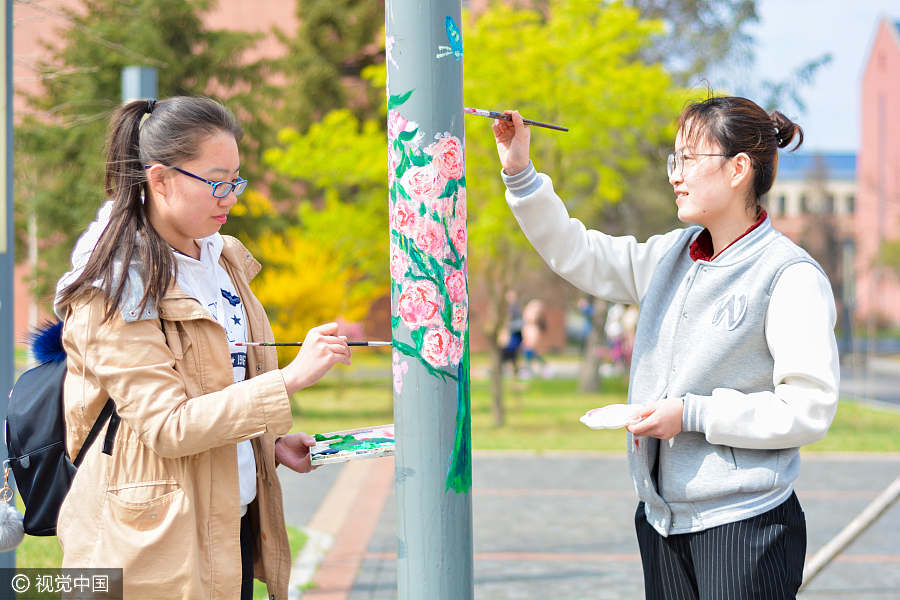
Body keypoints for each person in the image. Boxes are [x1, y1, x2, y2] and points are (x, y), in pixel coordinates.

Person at [492, 96, 839, 599]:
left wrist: (690, 414)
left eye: (689, 160)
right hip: (662, 522)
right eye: (673, 160)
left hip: (745, 525)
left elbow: (808, 408)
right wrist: (521, 172)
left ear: (739, 168)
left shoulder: (789, 276)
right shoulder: (671, 256)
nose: (675, 175)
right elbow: (577, 252)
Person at [53, 96, 352, 600]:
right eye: (215, 181)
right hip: (147, 548)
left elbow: (219, 388)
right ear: (160, 178)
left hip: (226, 525)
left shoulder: (223, 258)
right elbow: (167, 426)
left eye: (236, 180)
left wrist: (267, 446)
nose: (229, 196)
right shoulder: (116, 284)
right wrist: (291, 379)